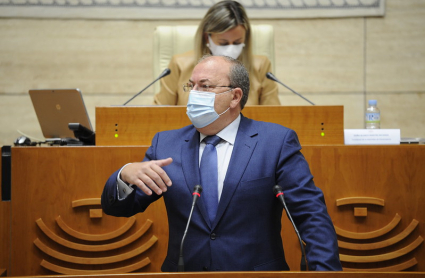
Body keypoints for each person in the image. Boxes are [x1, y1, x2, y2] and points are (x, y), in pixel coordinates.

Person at [102, 55, 342, 272]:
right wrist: (124, 175)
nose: (193, 93)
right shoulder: (166, 144)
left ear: (235, 96)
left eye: (204, 86)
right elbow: (120, 208)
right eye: (191, 85)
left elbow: (311, 216)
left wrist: (325, 274)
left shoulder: (276, 143)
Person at [153, 0, 281, 106]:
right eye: (223, 43)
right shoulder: (179, 65)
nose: (231, 48)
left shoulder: (260, 67)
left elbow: (273, 116)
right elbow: (160, 113)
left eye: (237, 42)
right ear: (206, 37)